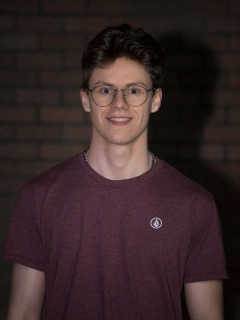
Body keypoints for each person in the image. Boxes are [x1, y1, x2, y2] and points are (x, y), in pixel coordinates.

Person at [3, 24, 228, 320]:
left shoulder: (195, 204)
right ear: (86, 98)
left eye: (134, 90)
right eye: (105, 90)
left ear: (155, 99)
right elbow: (23, 312)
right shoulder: (40, 195)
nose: (118, 103)